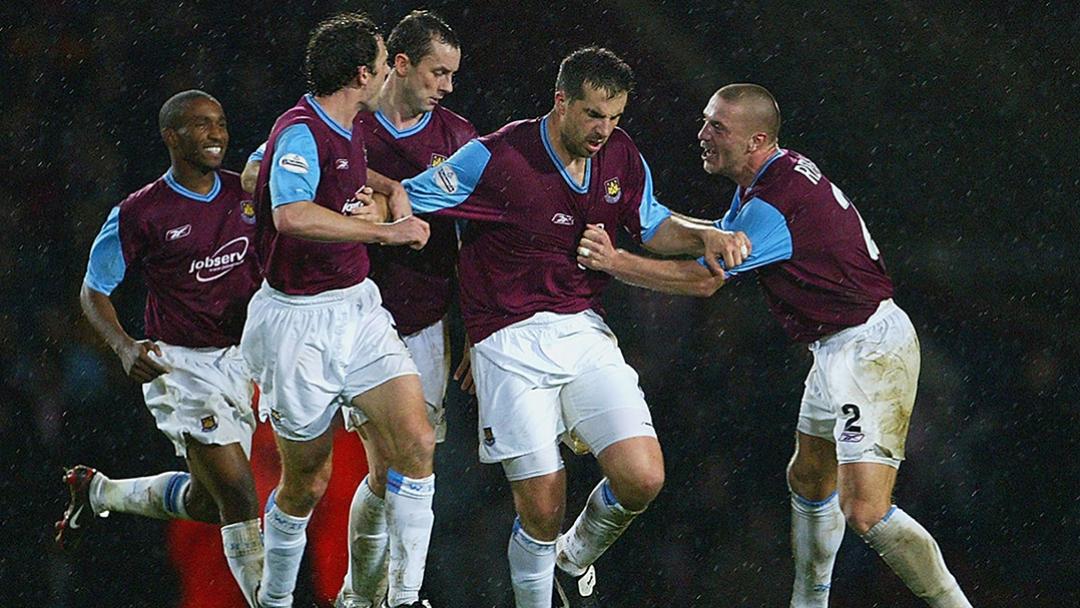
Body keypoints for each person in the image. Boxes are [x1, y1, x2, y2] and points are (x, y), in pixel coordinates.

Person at [575, 83, 973, 608]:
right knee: (808, 476)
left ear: (757, 139)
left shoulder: (776, 204)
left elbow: (703, 281)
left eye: (718, 127)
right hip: (836, 348)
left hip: (868, 352)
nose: (703, 135)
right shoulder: (771, 178)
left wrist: (615, 263)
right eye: (705, 121)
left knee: (865, 511)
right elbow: (719, 236)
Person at [401, 47, 750, 608]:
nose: (603, 130)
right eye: (592, 115)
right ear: (560, 101)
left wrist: (705, 232)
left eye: (614, 117)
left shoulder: (621, 155)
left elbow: (652, 223)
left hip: (584, 331)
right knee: (542, 506)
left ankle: (572, 560)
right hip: (507, 339)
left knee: (642, 476)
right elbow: (409, 198)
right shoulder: (496, 157)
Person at [239, 12, 435, 608]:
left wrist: (390, 190)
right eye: (381, 67)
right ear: (360, 74)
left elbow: (331, 167)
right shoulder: (298, 130)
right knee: (307, 482)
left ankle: (403, 598)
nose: (385, 78)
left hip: (358, 310)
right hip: (298, 325)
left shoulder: (350, 123)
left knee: (418, 442)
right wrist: (381, 233)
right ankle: (274, 599)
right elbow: (289, 214)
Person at [59, 89, 265, 607]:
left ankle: (101, 492)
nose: (216, 133)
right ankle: (272, 600)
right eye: (200, 125)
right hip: (180, 365)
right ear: (170, 136)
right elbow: (93, 289)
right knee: (241, 495)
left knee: (211, 501)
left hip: (244, 359)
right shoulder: (142, 211)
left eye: (219, 122)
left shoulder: (244, 194)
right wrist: (124, 346)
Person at [334, 10, 477, 608]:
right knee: (395, 456)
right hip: (353, 317)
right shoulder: (344, 121)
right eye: (437, 73)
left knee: (393, 469)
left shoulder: (461, 141)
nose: (447, 87)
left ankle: (357, 595)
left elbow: (478, 242)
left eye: (452, 75)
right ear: (398, 64)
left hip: (424, 319)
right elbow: (259, 173)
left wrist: (472, 329)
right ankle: (396, 596)